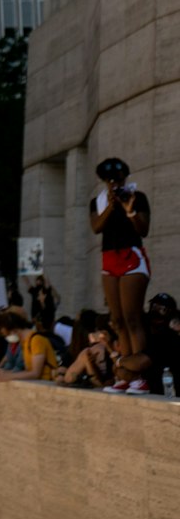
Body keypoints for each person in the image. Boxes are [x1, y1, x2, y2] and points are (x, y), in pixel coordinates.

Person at [90, 157, 150, 392]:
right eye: (109, 180)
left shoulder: (138, 197)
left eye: (118, 179)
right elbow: (96, 227)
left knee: (132, 317)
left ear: (125, 179)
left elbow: (143, 229)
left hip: (132, 257)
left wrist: (129, 209)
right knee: (117, 320)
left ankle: (139, 377)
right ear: (105, 182)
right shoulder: (99, 202)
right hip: (109, 258)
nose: (114, 184)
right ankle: (125, 375)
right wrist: (111, 206)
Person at [103, 292, 180, 397]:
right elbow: (122, 370)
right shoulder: (145, 334)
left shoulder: (168, 337)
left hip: (160, 392)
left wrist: (119, 362)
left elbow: (139, 363)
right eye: (154, 307)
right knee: (121, 371)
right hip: (141, 386)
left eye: (161, 309)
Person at [0, 309, 58, 383]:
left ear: (13, 330)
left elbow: (35, 373)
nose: (7, 338)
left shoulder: (36, 340)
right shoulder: (24, 342)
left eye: (6, 334)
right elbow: (27, 371)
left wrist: (8, 376)